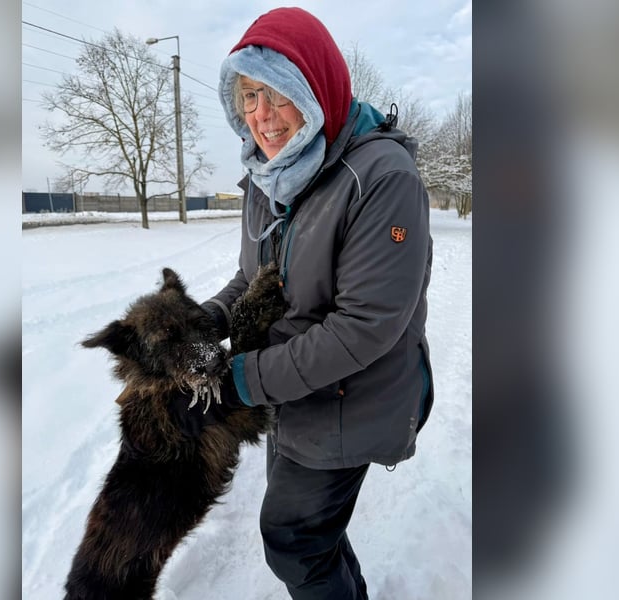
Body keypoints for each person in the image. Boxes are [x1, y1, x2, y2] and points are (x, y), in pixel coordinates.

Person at [192, 7, 434, 599]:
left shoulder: (381, 177)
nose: (262, 115)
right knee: (314, 536)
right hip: (290, 393)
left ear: (316, 89)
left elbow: (364, 325)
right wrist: (207, 320)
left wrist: (241, 379)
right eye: (249, 97)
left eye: (278, 94)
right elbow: (255, 275)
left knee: (293, 541)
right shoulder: (266, 176)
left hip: (349, 400)